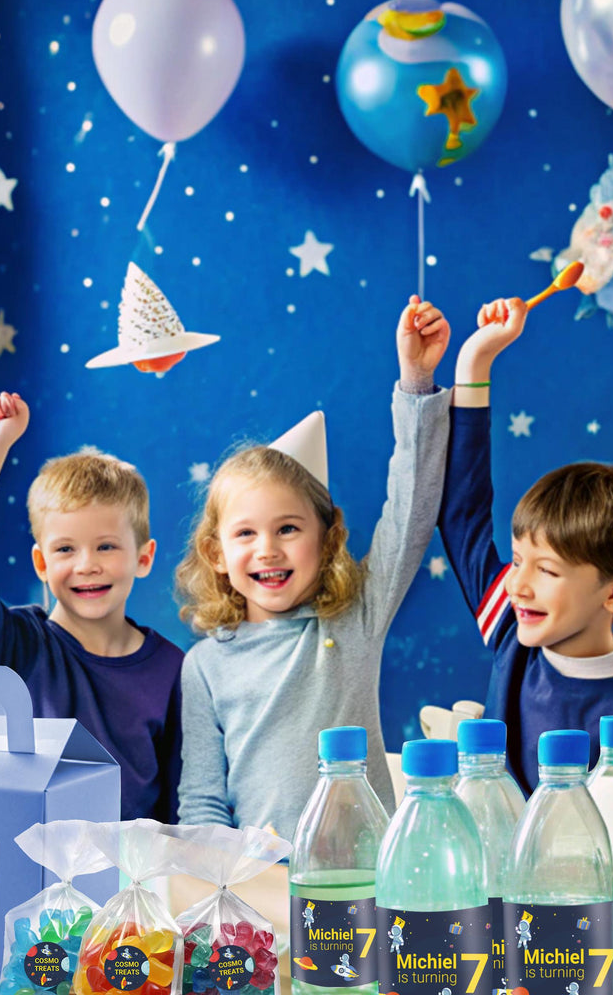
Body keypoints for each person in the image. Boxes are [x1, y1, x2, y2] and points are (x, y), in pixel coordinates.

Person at [174, 296, 451, 839]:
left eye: (288, 529)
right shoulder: (205, 665)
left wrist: (416, 383)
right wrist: (220, 874)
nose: (268, 550)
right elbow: (202, 800)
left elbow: (412, 510)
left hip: (365, 875)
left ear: (326, 541)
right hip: (260, 881)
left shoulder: (354, 620)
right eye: (245, 534)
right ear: (216, 554)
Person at [438, 296, 613, 814]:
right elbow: (461, 516)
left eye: (547, 570)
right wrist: (475, 362)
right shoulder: (513, 633)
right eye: (518, 560)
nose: (517, 585)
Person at [0, 393, 183, 821]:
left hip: (133, 863)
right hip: (30, 860)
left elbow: (178, 803)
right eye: (66, 549)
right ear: (41, 563)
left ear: (144, 557)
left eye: (106, 546)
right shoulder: (21, 645)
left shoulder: (173, 670)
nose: (87, 565)